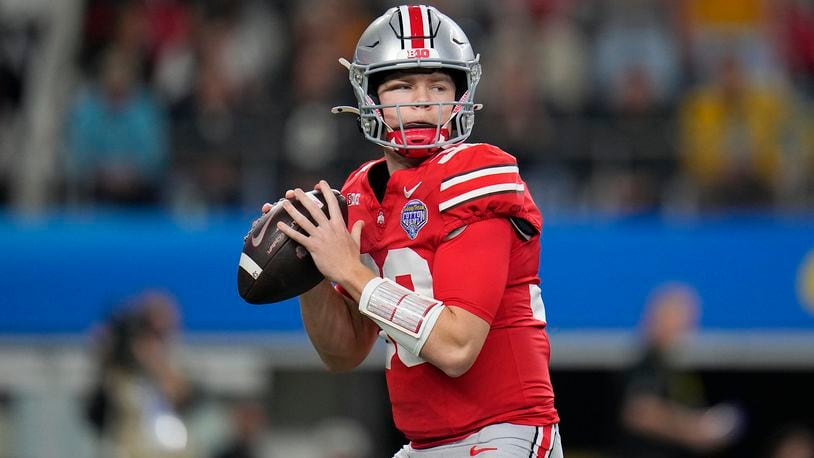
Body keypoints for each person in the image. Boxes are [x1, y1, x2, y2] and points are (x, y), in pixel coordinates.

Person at [260, 5, 562, 457]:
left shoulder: (476, 173)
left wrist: (350, 270)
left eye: (438, 86)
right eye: (402, 86)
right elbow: (343, 353)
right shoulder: (362, 191)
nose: (423, 100)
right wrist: (313, 269)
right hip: (423, 443)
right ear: (370, 98)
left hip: (504, 432)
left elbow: (458, 346)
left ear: (460, 97)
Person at [617, 283, 742, 457]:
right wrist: (694, 429)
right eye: (679, 317)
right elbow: (640, 411)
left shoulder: (676, 367)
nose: (687, 325)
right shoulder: (646, 361)